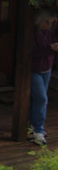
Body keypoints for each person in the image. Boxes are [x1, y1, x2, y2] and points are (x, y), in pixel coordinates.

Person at [30, 8, 58, 146]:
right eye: (49, 22)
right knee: (41, 98)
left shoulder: (50, 33)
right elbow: (33, 51)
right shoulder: (33, 34)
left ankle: (36, 125)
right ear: (43, 21)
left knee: (42, 100)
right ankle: (38, 130)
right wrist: (50, 48)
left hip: (47, 69)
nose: (51, 25)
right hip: (34, 69)